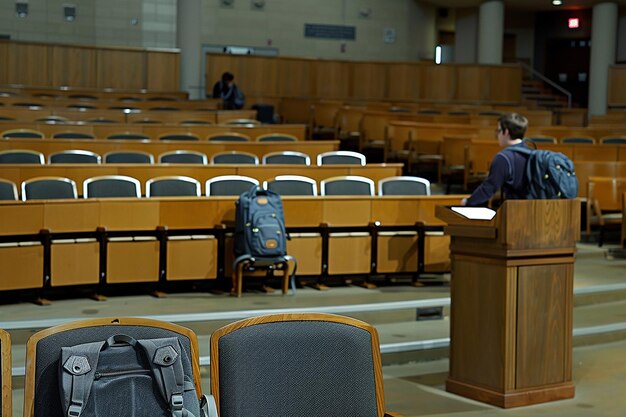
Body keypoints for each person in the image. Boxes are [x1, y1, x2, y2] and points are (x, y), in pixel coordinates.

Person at [462, 112, 531, 206]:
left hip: (514, 210)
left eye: (498, 131)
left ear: (506, 132)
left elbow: (489, 187)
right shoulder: (532, 153)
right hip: (534, 209)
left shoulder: (503, 158)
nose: (497, 135)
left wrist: (468, 202)